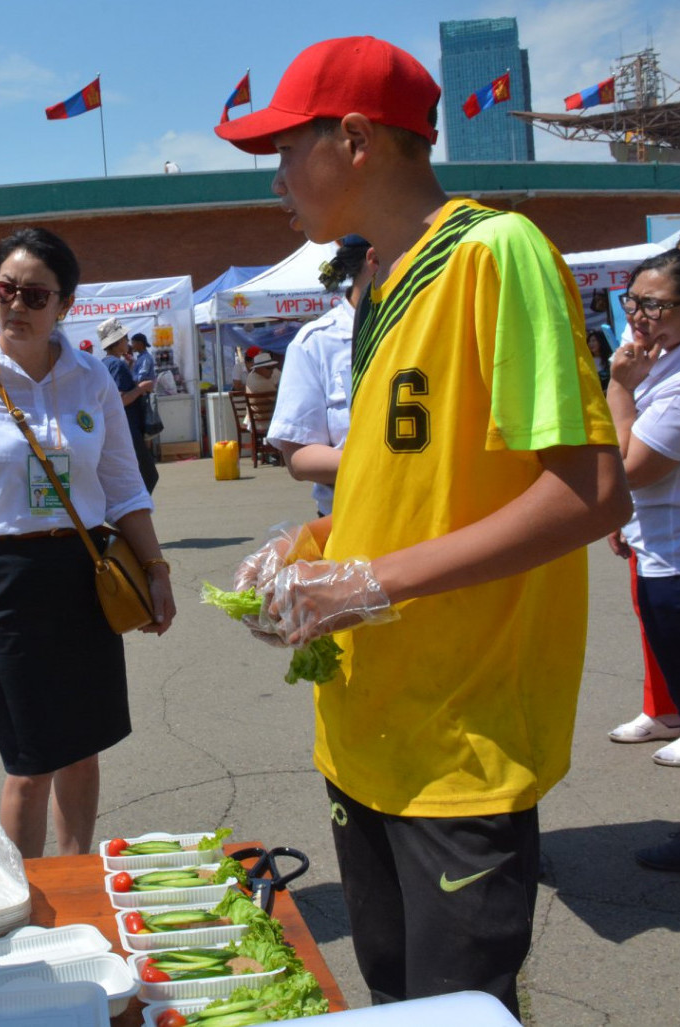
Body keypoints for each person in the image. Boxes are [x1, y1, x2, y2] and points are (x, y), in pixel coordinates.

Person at [218, 35, 630, 1016]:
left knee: (454, 1006)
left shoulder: (496, 252)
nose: (275, 177)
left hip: (460, 742)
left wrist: (368, 586)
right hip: (364, 732)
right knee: (396, 998)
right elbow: (399, 478)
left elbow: (588, 490)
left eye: (286, 148)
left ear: (355, 140)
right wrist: (306, 551)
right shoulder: (379, 287)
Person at [0, 227, 175, 859]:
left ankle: (76, 874)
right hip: (2, 581)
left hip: (83, 572)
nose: (16, 306)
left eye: (35, 295)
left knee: (82, 751)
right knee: (30, 762)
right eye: (6, 290)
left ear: (65, 303)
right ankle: (22, 904)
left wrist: (157, 569)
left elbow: (122, 486)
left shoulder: (92, 378)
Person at [602, 250, 680, 866]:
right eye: (634, 301)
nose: (640, 316)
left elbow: (631, 468)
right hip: (657, 549)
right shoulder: (659, 364)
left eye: (657, 305)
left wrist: (619, 389)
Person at [266, 235, 377, 515]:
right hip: (350, 520)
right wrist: (386, 467)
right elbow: (299, 457)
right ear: (374, 260)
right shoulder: (317, 341)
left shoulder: (428, 327)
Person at [99, 317, 158, 494]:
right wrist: (141, 388)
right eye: (125, 338)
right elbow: (120, 399)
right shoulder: (116, 364)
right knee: (148, 475)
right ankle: (134, 513)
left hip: (117, 428)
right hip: (127, 428)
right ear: (117, 342)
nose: (128, 341)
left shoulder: (105, 364)